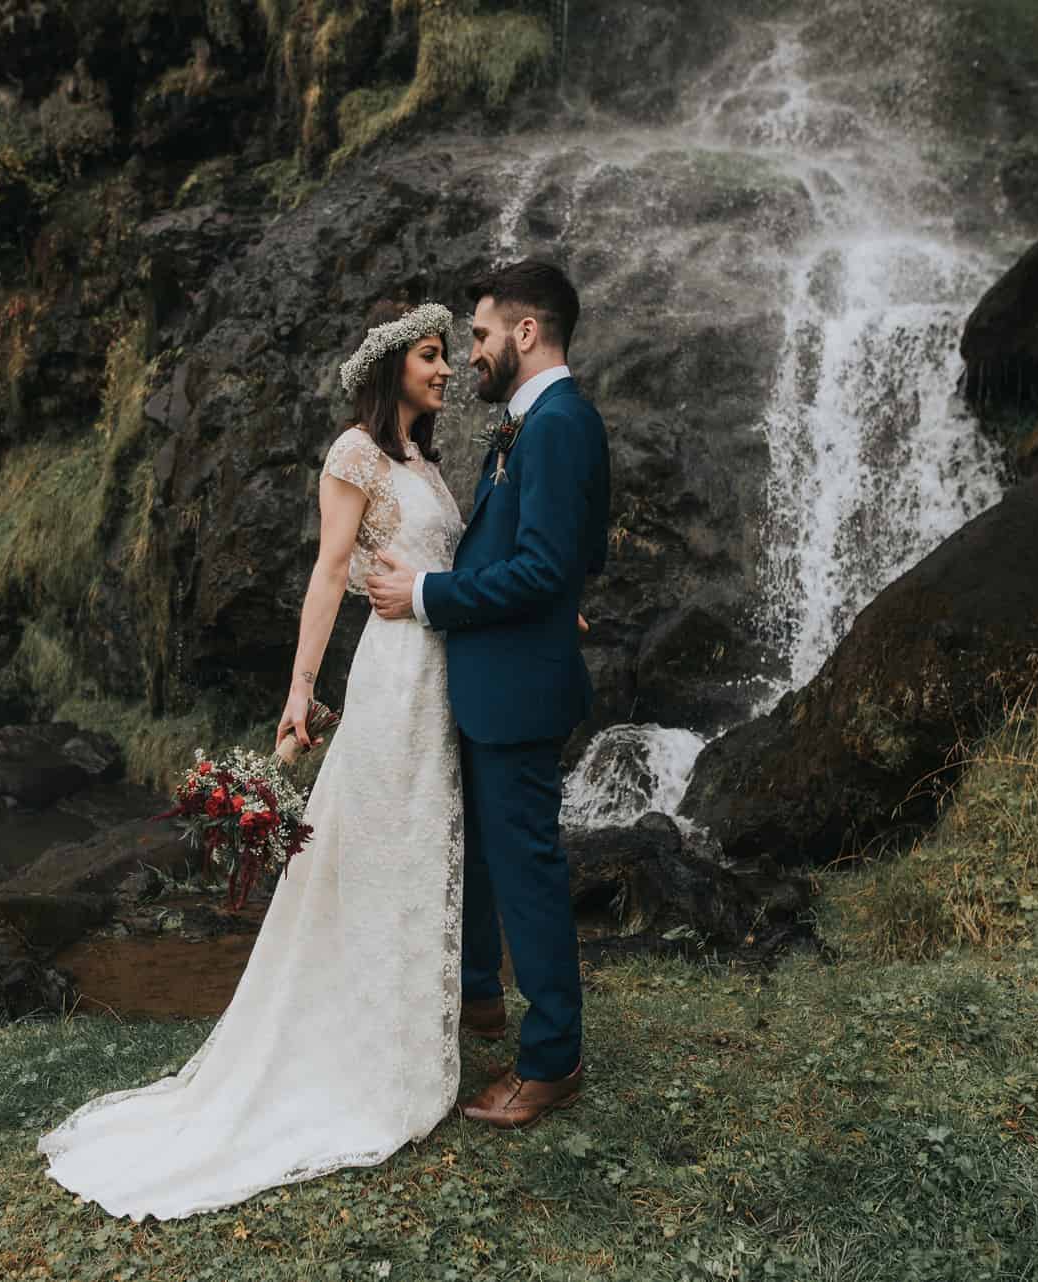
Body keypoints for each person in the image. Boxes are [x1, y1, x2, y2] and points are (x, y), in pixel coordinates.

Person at [37, 298, 468, 1220]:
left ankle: (405, 1045)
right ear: (394, 367)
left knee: (418, 857)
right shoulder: (354, 456)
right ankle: (366, 1062)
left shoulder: (427, 463)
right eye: (433, 356)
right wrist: (300, 692)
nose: (447, 370)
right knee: (381, 859)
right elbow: (328, 570)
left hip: (440, 676)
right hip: (393, 678)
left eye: (447, 355)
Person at [367, 260, 610, 1129]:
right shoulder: (533, 426)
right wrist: (557, 609)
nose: (470, 351)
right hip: (499, 682)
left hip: (514, 695)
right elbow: (584, 554)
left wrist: (428, 597)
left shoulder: (555, 427)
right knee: (483, 853)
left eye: (478, 334)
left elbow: (547, 563)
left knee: (528, 870)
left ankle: (552, 1063)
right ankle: (477, 999)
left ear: (527, 333)